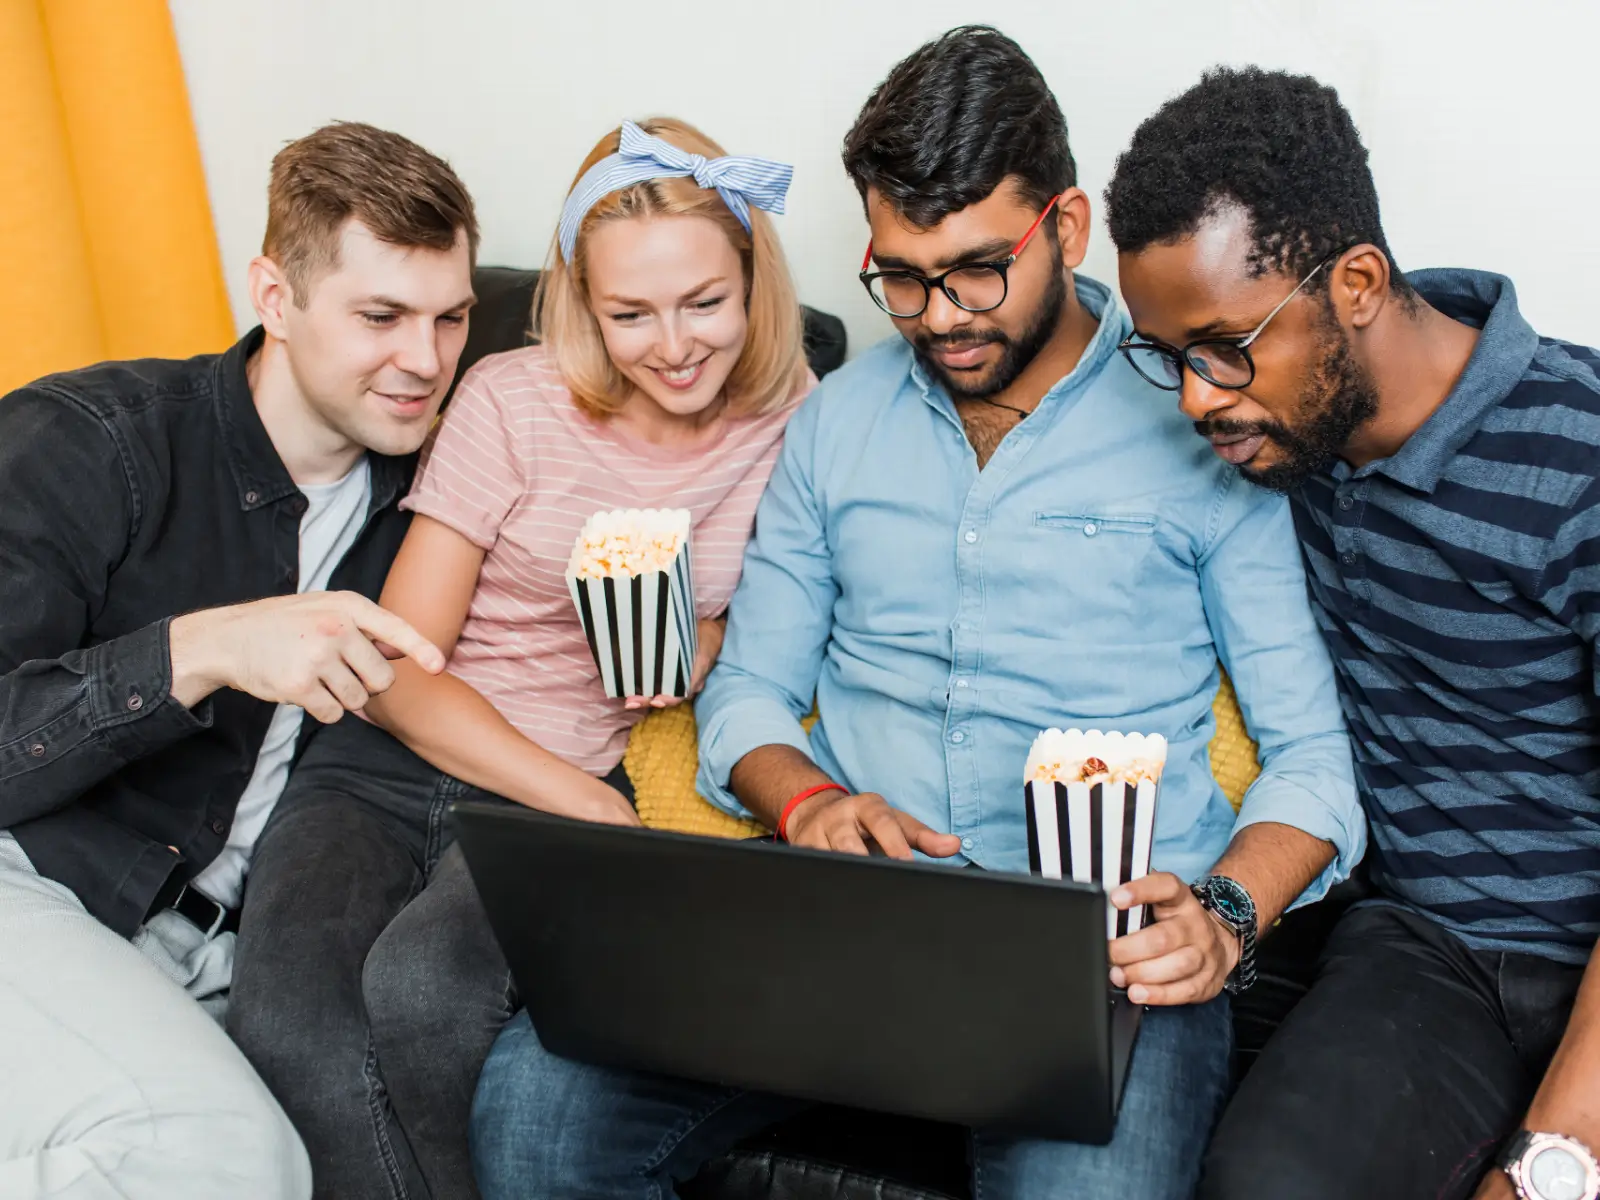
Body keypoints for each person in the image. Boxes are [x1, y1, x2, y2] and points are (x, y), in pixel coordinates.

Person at [468, 28, 1363, 1200]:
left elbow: (1310, 758)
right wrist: (811, 803)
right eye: (900, 275)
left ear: (1069, 227)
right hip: (839, 920)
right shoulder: (836, 424)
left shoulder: (1200, 418)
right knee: (529, 1114)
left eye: (978, 269)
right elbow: (748, 691)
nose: (940, 316)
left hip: (1098, 953)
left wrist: (1225, 918)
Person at [226, 117, 812, 1200]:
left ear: (753, 284)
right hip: (395, 758)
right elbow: (400, 662)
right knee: (291, 1024)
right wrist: (581, 805)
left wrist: (696, 647)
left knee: (426, 993)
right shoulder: (512, 396)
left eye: (704, 303)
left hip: (576, 776)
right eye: (628, 312)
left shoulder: (798, 428)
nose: (673, 344)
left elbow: (793, 624)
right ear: (582, 303)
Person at [1108, 66, 1600, 1200]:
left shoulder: (1578, 457)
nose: (1195, 398)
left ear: (1360, 282)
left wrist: (1551, 1161)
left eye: (1226, 346)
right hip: (1428, 954)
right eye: (1169, 356)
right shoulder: (1290, 449)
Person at [0, 121, 475, 1199]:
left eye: (451, 318)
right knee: (214, 1154)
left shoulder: (443, 501)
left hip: (218, 953)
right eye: (381, 317)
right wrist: (201, 649)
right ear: (274, 295)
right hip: (34, 887)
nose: (426, 359)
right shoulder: (90, 440)